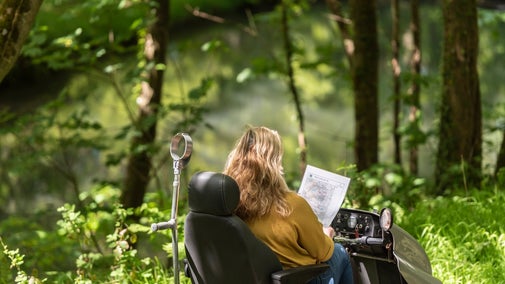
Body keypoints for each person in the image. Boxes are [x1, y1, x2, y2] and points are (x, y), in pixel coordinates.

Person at [223, 126, 353, 284]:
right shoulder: (291, 205)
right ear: (274, 163)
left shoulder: (229, 202)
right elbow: (324, 253)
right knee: (339, 252)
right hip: (295, 279)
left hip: (254, 278)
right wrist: (327, 235)